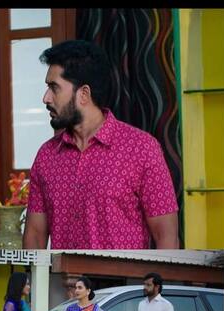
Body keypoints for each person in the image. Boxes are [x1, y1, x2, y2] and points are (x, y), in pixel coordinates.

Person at [23, 39, 179, 249]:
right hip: (64, 272)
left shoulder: (141, 149)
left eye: (54, 88)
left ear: (84, 94)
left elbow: (166, 237)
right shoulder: (46, 156)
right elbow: (34, 235)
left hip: (123, 272)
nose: (46, 98)